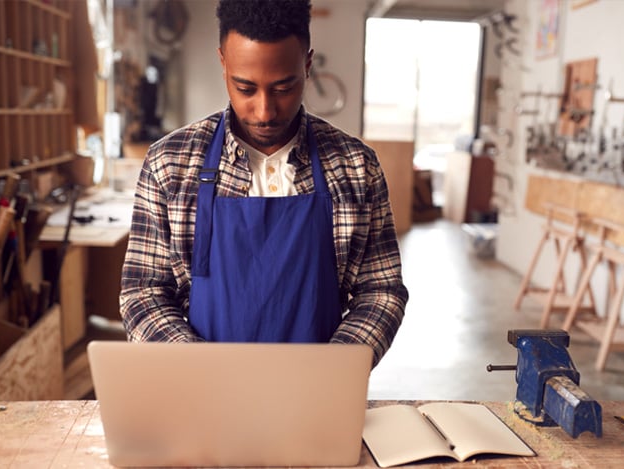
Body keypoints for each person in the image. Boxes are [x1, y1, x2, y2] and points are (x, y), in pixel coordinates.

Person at [119, 0, 408, 367]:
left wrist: (334, 369)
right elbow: (142, 294)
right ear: (223, 62)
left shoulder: (355, 167)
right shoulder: (170, 164)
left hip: (316, 397)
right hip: (204, 393)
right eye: (245, 88)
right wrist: (199, 368)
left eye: (284, 87)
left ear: (307, 64)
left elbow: (381, 292)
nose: (265, 111)